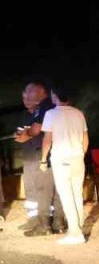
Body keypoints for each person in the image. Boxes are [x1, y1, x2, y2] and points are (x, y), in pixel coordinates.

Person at [39, 85, 89, 245]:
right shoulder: (78, 113)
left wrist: (43, 159)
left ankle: (75, 233)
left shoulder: (51, 114)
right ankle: (78, 228)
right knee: (77, 194)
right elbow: (85, 138)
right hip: (77, 157)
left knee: (67, 196)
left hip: (62, 158)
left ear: (55, 96)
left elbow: (47, 139)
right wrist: (81, 153)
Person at [14, 81, 64, 236]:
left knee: (45, 189)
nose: (25, 95)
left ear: (42, 93)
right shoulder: (32, 112)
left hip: (44, 156)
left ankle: (46, 224)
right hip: (35, 156)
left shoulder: (46, 107)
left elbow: (37, 130)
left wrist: (27, 135)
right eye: (24, 92)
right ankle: (44, 221)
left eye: (29, 92)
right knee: (39, 189)